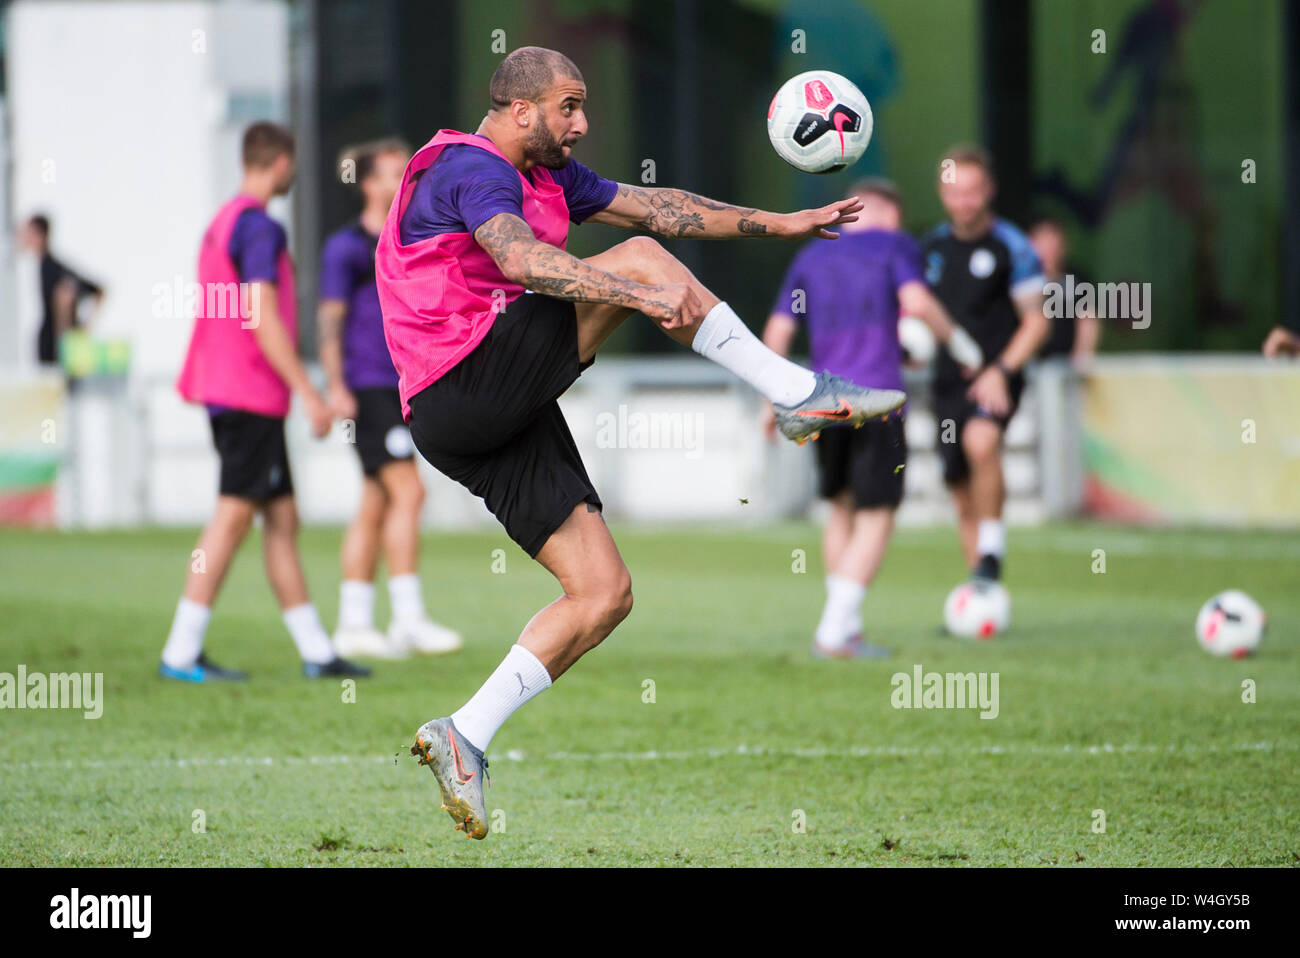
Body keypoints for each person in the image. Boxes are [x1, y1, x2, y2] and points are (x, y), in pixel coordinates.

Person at [377, 47, 905, 839]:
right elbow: (521, 260)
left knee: (604, 593)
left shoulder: (549, 172)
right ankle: (798, 395)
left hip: (485, 414)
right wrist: (636, 291)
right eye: (569, 106)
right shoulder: (472, 167)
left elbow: (659, 206)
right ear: (522, 110)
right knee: (644, 263)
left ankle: (464, 734)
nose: (582, 123)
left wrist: (779, 224)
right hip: (460, 383)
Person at [162, 122, 369, 682]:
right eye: (292, 162)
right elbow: (260, 315)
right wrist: (309, 392)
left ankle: (316, 652)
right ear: (279, 162)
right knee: (232, 515)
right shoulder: (259, 228)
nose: (293, 173)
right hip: (248, 392)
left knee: (280, 517)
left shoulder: (221, 222)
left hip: (227, 388)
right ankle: (181, 651)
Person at [761, 178, 982, 659]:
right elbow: (919, 304)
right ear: (886, 213)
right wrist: (964, 348)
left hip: (821, 400)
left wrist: (768, 398)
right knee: (877, 512)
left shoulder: (812, 253)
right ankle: (835, 630)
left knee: (840, 507)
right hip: (876, 399)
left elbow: (779, 328)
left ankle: (846, 626)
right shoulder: (894, 244)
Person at [319, 139, 462, 660]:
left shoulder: (414, 240)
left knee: (376, 500)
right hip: (370, 385)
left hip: (404, 381)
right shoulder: (348, 248)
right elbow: (330, 320)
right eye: (393, 173)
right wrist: (336, 386)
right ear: (369, 183)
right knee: (410, 493)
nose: (406, 179)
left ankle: (354, 623)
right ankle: (407, 619)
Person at [920, 145, 1049, 583]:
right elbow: (918, 314)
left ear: (989, 190)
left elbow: (1036, 322)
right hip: (946, 381)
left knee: (981, 442)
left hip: (998, 375)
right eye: (955, 193)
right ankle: (981, 586)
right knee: (958, 487)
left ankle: (992, 549)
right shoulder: (932, 247)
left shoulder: (1014, 248)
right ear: (941, 193)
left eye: (973, 192)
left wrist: (1001, 371)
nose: (964, 202)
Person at [18, 214, 104, 367]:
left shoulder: (52, 268)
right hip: (54, 342)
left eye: (27, 232)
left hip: (58, 346)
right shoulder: (40, 265)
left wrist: (85, 327)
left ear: (40, 235)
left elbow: (98, 291)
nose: (22, 236)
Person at [1028, 216, 1100, 369]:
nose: (1047, 253)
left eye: (1052, 247)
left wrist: (1081, 361)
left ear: (1063, 248)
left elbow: (1088, 321)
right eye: (1042, 246)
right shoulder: (1020, 282)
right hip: (1026, 367)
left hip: (1065, 368)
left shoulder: (1077, 281)